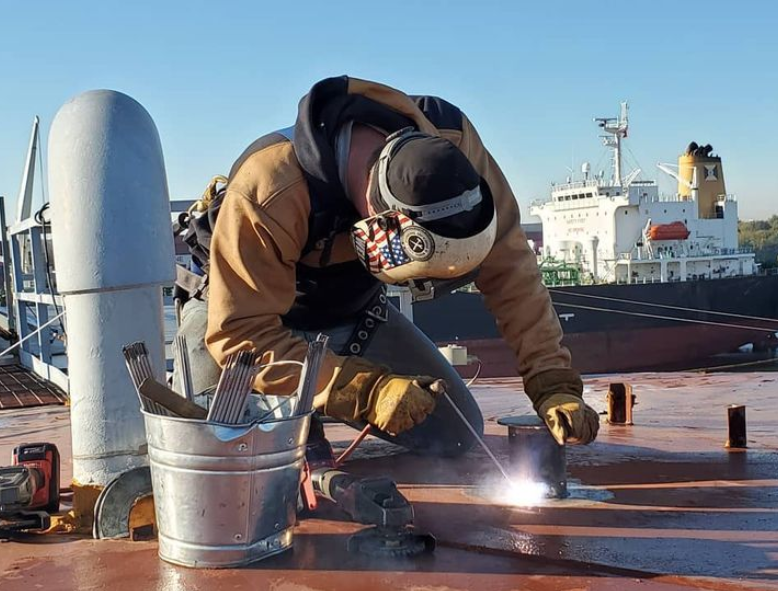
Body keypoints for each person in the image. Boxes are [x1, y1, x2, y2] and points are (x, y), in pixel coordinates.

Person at [174, 76, 598, 456]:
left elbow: (510, 264)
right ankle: (296, 419)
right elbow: (239, 332)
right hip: (245, 328)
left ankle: (310, 406)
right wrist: (362, 389)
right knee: (217, 458)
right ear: (379, 219)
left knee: (453, 432)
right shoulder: (270, 186)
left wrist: (552, 380)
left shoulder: (452, 143)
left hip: (349, 315)